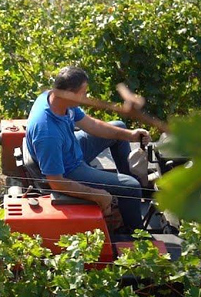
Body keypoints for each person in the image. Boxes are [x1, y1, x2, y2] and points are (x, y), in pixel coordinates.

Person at [24, 66, 149, 231]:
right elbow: (56, 182)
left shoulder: (56, 99)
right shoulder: (48, 133)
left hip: (70, 147)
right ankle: (135, 234)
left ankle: (125, 198)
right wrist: (98, 195)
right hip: (69, 168)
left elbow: (91, 125)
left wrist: (130, 135)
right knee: (131, 187)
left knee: (119, 128)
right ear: (69, 92)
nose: (86, 97)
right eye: (83, 93)